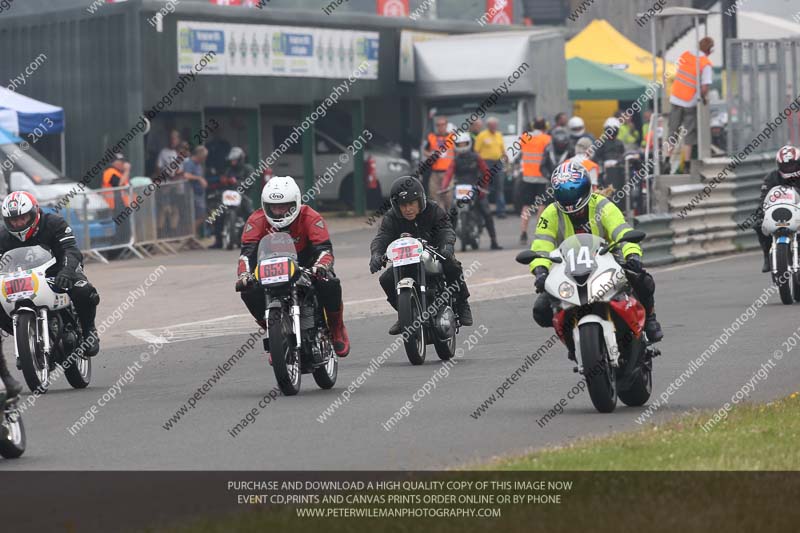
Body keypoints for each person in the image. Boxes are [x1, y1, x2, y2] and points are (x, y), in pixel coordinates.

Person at [530, 163, 663, 348]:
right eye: (564, 195)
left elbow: (622, 232)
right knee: (541, 310)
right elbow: (541, 245)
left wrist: (632, 256)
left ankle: (650, 319)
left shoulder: (603, 205)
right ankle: (572, 341)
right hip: (569, 269)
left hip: (608, 259)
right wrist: (540, 271)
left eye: (573, 194)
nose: (571, 203)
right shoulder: (550, 213)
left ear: (586, 189)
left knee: (643, 280)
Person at [236, 177, 350, 357]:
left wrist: (321, 266)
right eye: (273, 206)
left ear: (295, 203)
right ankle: (275, 336)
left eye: (283, 206)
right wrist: (244, 275)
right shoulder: (255, 220)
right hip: (269, 267)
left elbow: (324, 249)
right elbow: (246, 254)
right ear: (265, 205)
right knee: (248, 292)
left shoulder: (311, 216)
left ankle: (337, 327)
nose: (279, 211)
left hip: (307, 265)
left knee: (330, 283)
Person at [0, 192, 101, 379]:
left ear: (34, 213)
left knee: (83, 290)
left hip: (58, 272)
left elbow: (71, 250)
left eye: (23, 218)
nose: (18, 224)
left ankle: (89, 331)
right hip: (20, 279)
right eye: (13, 220)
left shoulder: (54, 223)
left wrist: (68, 271)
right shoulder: (3, 236)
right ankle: (28, 341)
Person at [369, 176, 473, 334]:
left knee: (452, 264)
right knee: (385, 279)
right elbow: (381, 238)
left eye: (411, 203)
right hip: (404, 261)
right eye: (403, 205)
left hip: (433, 254)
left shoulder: (433, 209)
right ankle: (405, 314)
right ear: (396, 206)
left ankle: (462, 302)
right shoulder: (391, 217)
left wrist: (446, 246)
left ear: (420, 201)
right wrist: (376, 255)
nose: (408, 209)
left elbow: (446, 229)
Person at [441, 131, 502, 250]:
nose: (462, 147)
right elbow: (448, 174)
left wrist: (484, 187)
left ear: (469, 144)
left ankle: (494, 241)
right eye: (460, 144)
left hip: (476, 188)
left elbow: (486, 173)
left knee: (487, 213)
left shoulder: (477, 158)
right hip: (459, 189)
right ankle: (448, 244)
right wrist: (444, 187)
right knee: (451, 215)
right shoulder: (455, 160)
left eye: (465, 144)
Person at [668, 37, 714, 173]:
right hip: (689, 102)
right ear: (710, 50)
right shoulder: (705, 64)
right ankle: (687, 165)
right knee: (689, 134)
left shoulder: (686, 55)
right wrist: (704, 98)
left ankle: (665, 160)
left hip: (675, 98)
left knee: (672, 131)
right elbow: (704, 88)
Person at [754, 146, 800, 272]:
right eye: (785, 165)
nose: (789, 168)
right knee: (758, 224)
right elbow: (764, 197)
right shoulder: (771, 177)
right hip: (780, 213)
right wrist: (760, 211)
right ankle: (767, 257)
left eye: (792, 164)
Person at [210, 146, 255, 249]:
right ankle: (218, 240)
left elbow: (251, 182)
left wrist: (238, 182)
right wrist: (224, 181)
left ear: (240, 159)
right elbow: (223, 181)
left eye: (235, 160)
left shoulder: (248, 168)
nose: (233, 162)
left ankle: (252, 239)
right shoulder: (229, 170)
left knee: (250, 214)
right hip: (229, 195)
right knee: (217, 214)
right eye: (232, 160)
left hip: (243, 195)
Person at [519, 118, 552, 244]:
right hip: (542, 177)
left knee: (526, 206)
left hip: (527, 177)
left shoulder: (525, 137)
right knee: (541, 206)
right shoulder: (547, 139)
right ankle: (539, 232)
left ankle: (523, 232)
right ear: (545, 126)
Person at [474, 117, 507, 218]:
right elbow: (476, 151)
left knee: (499, 187)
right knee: (485, 186)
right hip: (486, 163)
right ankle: (485, 211)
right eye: (492, 125)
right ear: (488, 126)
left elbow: (502, 149)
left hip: (498, 163)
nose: (494, 127)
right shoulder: (482, 135)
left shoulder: (499, 135)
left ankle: (501, 211)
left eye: (495, 125)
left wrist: (506, 157)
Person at [422, 116, 455, 211]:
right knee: (435, 195)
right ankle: (442, 217)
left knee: (448, 196)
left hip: (448, 173)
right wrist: (431, 155)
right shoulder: (431, 137)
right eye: (438, 125)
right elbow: (424, 151)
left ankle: (449, 215)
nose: (440, 127)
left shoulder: (452, 137)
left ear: (446, 125)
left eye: (442, 124)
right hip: (435, 172)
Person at [101, 153, 132, 241]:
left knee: (124, 229)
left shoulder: (119, 173)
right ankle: (116, 250)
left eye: (123, 161)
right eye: (120, 162)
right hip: (113, 207)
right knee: (117, 230)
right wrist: (127, 171)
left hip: (121, 206)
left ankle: (124, 247)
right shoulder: (109, 172)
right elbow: (119, 184)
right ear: (114, 163)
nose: (123, 164)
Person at [181, 145, 210, 237]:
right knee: (200, 215)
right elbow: (186, 175)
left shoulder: (199, 165)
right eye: (204, 157)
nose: (204, 159)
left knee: (200, 215)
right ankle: (190, 235)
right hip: (192, 194)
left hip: (199, 194)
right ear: (199, 155)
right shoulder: (190, 163)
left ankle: (192, 235)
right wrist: (199, 178)